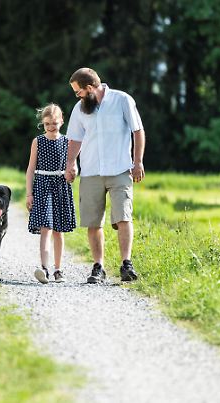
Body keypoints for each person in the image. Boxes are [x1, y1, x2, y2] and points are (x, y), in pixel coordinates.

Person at [64, 67, 146, 284]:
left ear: (89, 88)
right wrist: (70, 164)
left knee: (123, 217)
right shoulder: (80, 108)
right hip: (91, 172)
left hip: (120, 169)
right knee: (93, 222)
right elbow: (75, 140)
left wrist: (138, 162)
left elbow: (138, 131)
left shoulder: (122, 100)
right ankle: (98, 266)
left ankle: (126, 264)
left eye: (78, 91)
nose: (77, 96)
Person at [25, 103, 76, 284]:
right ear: (43, 124)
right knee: (46, 228)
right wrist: (29, 193)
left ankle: (58, 269)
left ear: (61, 121)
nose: (51, 127)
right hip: (42, 186)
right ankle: (45, 269)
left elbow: (72, 167)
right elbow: (31, 169)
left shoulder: (68, 141)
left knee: (58, 231)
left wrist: (72, 173)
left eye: (54, 123)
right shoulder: (38, 141)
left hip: (61, 185)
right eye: (47, 124)